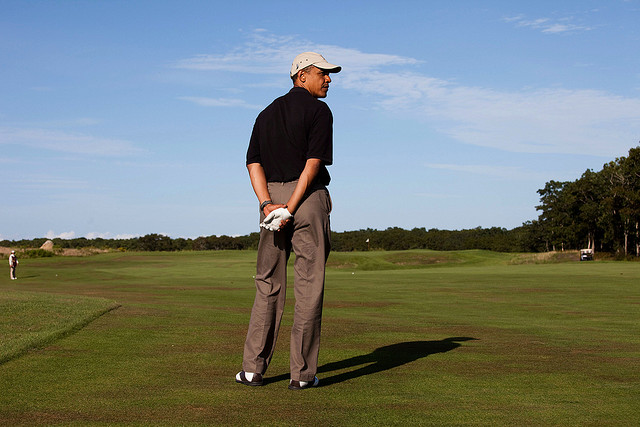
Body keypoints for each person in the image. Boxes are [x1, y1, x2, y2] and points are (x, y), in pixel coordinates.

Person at [236, 52, 341, 390]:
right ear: (302, 76)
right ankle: (302, 375)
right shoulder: (319, 111)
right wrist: (290, 208)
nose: (328, 79)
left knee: (267, 283)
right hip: (305, 200)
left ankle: (252, 370)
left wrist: (268, 204)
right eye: (322, 73)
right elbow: (311, 166)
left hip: (270, 203)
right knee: (309, 285)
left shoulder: (265, 113)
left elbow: (254, 165)